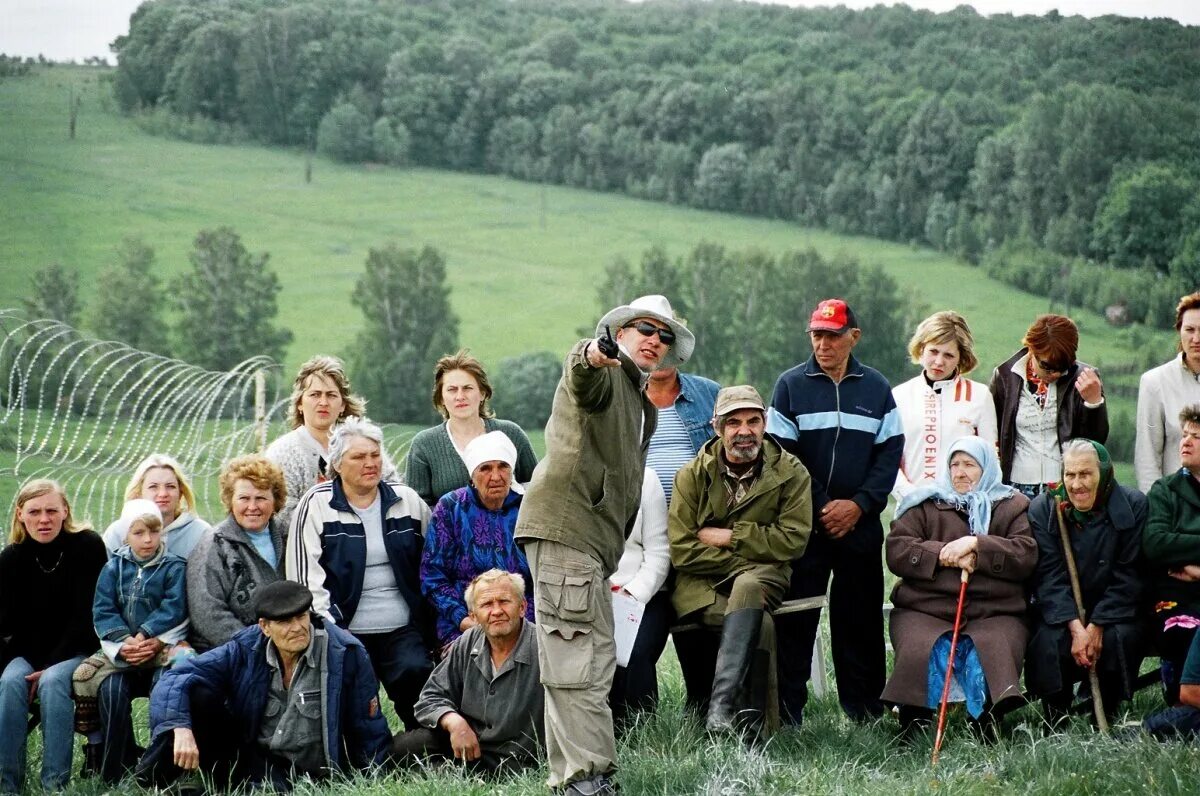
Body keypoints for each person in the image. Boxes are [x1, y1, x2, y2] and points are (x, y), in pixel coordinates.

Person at [515, 294, 693, 795]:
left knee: (592, 658)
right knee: (576, 661)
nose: (655, 341)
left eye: (665, 336)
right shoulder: (607, 372)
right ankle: (582, 778)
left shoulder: (641, 402)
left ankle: (586, 775)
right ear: (620, 332)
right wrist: (592, 353)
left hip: (591, 543)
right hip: (566, 530)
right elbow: (582, 374)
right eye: (645, 329)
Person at [766, 298, 904, 725]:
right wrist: (823, 505)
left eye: (832, 335)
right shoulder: (790, 386)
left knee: (860, 621)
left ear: (853, 337)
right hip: (804, 526)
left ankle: (865, 713)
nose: (822, 344)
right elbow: (782, 456)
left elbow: (889, 455)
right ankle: (787, 713)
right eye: (816, 335)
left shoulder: (877, 388)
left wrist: (860, 504)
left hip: (860, 526)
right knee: (796, 620)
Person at [135, 580, 392, 791]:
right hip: (254, 757)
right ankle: (160, 780)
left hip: (312, 770)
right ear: (264, 627)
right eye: (284, 622)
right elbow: (176, 676)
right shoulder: (246, 646)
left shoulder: (346, 653)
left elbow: (369, 727)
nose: (297, 628)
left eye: (301, 617)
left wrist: (372, 781)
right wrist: (180, 727)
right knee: (196, 693)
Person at [670, 385, 812, 736]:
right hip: (704, 586)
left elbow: (793, 540)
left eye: (753, 420)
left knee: (749, 586)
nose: (744, 431)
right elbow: (682, 548)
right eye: (733, 422)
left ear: (765, 424)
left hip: (768, 578)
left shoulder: (791, 472)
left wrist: (732, 536)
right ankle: (754, 727)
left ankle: (719, 709)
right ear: (717, 428)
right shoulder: (692, 475)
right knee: (758, 620)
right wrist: (748, 558)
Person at [884, 437, 1036, 739]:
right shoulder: (925, 503)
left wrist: (978, 545)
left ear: (987, 468)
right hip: (925, 609)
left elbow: (1025, 553)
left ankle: (985, 725)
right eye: (954, 464)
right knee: (921, 646)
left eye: (969, 465)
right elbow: (897, 549)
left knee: (993, 646)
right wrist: (944, 554)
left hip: (994, 612)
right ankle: (914, 724)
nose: (960, 472)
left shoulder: (1011, 506)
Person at [287, 417, 433, 731]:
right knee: (351, 695)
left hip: (402, 627)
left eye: (375, 455)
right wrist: (333, 632)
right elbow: (305, 581)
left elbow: (433, 564)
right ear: (337, 464)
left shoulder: (406, 502)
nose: (370, 463)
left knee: (416, 671)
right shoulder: (315, 506)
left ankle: (425, 748)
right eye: (359, 457)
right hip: (343, 628)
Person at [1026, 439, 1145, 729]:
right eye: (1070, 474)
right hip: (1064, 609)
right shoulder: (1045, 508)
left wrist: (1097, 625)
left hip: (1113, 606)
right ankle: (1056, 715)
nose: (1077, 484)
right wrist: (1076, 627)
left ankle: (1106, 709)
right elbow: (1049, 575)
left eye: (1085, 474)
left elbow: (1129, 574)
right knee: (1049, 639)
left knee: (1122, 637)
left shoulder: (1133, 505)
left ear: (1103, 474)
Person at [73, 499, 192, 784]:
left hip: (161, 646)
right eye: (138, 533)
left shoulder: (174, 567)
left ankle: (161, 763)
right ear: (125, 534)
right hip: (123, 650)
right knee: (90, 678)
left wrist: (147, 634)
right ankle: (110, 759)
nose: (148, 539)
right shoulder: (113, 568)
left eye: (154, 532)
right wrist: (125, 641)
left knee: (181, 672)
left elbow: (175, 606)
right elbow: (103, 609)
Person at [0, 479, 106, 794]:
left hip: (77, 648)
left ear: (65, 511)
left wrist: (50, 665)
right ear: (20, 514)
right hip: (28, 652)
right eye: (34, 511)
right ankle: (8, 785)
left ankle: (54, 785)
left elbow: (86, 617)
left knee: (52, 681)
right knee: (8, 681)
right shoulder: (11, 558)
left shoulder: (87, 546)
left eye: (51, 510)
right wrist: (15, 664)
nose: (43, 519)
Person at [394, 569, 543, 773]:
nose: (497, 611)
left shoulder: (543, 647)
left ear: (523, 607)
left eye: (504, 601)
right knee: (401, 748)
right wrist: (455, 723)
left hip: (519, 755)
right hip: (469, 747)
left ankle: (454, 774)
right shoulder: (467, 642)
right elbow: (430, 697)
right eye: (487, 605)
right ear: (474, 615)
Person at [421, 431, 534, 656]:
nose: (496, 476)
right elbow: (432, 576)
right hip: (464, 622)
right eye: (485, 468)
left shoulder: (529, 509)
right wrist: (464, 620)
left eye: (503, 466)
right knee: (470, 664)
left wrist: (520, 621)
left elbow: (542, 577)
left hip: (523, 619)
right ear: (472, 474)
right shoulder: (451, 508)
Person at [265, 355, 396, 535]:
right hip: (307, 553)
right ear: (300, 404)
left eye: (331, 395)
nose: (323, 402)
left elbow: (393, 489)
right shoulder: (282, 452)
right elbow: (281, 516)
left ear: (342, 405)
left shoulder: (365, 444)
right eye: (314, 394)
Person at [990, 314, 1108, 497]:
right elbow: (994, 434)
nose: (1055, 374)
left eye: (1063, 368)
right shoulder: (1005, 377)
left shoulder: (1084, 379)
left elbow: (1095, 444)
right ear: (1031, 348)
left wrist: (1094, 404)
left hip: (1066, 485)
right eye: (1047, 366)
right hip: (1016, 486)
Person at [405, 350, 538, 506]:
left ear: (482, 393)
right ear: (441, 398)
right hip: (447, 530)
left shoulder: (511, 434)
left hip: (510, 529)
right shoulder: (424, 445)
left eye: (467, 388)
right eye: (452, 389)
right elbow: (417, 508)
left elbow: (536, 490)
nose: (460, 396)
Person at [892, 311, 997, 503]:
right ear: (921, 348)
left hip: (963, 509)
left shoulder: (980, 396)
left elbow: (991, 460)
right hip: (911, 507)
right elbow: (888, 458)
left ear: (961, 358)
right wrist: (908, 494)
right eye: (933, 351)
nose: (939, 362)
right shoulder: (899, 395)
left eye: (948, 355)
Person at [187, 454, 287, 651]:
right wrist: (257, 647)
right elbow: (207, 613)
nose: (252, 507)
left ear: (275, 501)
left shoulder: (289, 535)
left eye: (261, 498)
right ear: (230, 500)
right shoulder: (214, 543)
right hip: (231, 650)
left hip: (284, 645)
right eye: (243, 498)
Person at [1143, 404, 1200, 704]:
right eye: (1184, 434)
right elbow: (1156, 543)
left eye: (1197, 436)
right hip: (1175, 595)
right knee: (1181, 629)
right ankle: (1179, 700)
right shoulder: (1165, 490)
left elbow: (1170, 543)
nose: (1186, 442)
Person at [608, 467, 670, 726]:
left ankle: (640, 730)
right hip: (590, 592)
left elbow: (659, 551)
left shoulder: (646, 479)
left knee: (635, 651)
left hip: (643, 592)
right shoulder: (574, 475)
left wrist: (632, 593)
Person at [1135, 292, 1200, 492]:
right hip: (1175, 506)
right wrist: (1157, 509)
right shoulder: (1154, 382)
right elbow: (1147, 458)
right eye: (1189, 329)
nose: (1196, 338)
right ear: (1179, 330)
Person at [100, 453, 211, 559]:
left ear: (181, 492)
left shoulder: (201, 533)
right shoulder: (117, 533)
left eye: (170, 486)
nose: (163, 494)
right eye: (153, 487)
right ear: (139, 492)